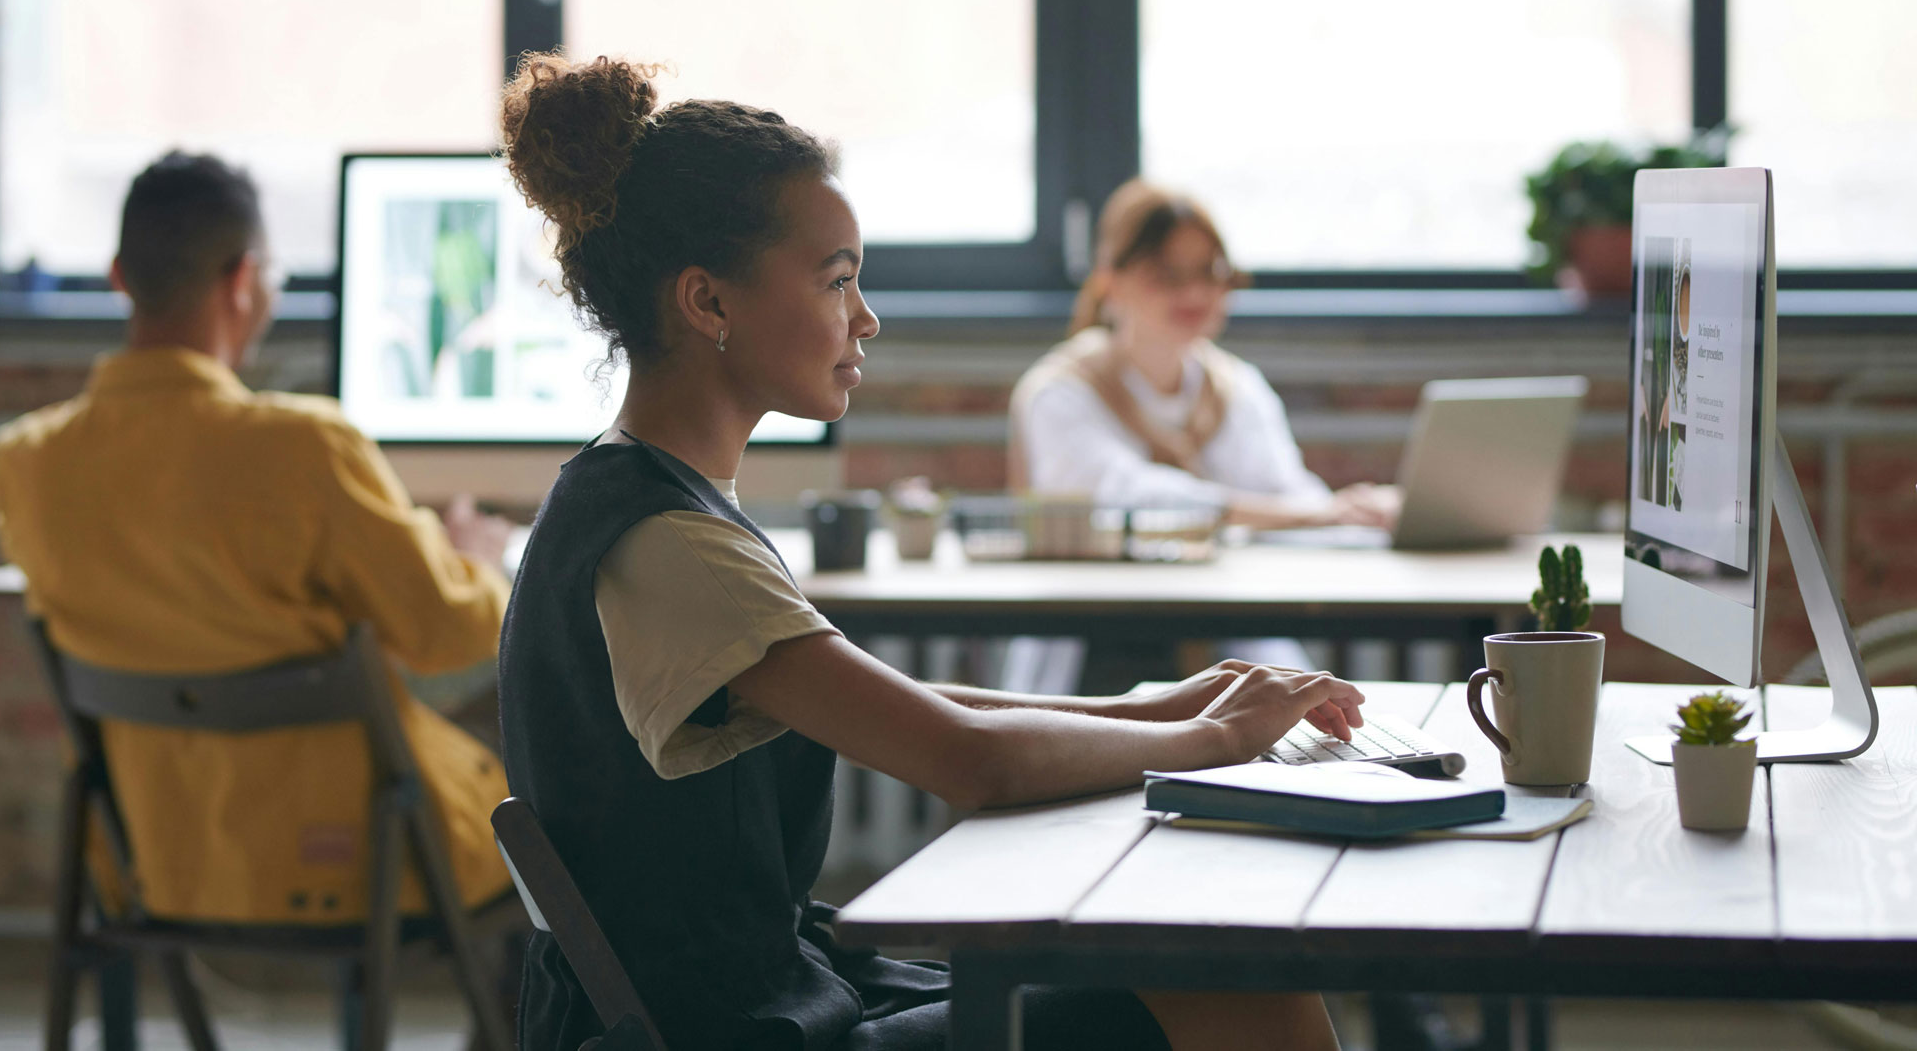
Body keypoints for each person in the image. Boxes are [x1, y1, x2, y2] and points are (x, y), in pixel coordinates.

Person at [496, 53, 1363, 1051]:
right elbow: (967, 761)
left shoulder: (654, 502)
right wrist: (1213, 740)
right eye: (835, 281)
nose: (864, 318)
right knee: (1247, 999)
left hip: (764, 998)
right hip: (741, 1031)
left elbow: (918, 710)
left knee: (1220, 980)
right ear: (708, 303)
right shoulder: (664, 544)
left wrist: (1153, 707)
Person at [0, 152, 518, 925]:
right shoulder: (305, 447)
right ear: (242, 279)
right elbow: (445, 633)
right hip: (364, 859)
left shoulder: (25, 461)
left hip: (152, 865)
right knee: (555, 823)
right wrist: (475, 562)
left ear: (118, 277)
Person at [1011, 178, 1396, 530]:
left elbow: (1287, 494)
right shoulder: (1060, 392)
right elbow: (1121, 502)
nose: (1194, 294)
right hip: (1103, 602)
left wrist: (1360, 511)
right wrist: (1314, 513)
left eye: (1210, 273)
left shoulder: (1235, 386)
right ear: (1110, 283)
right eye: (1167, 274)